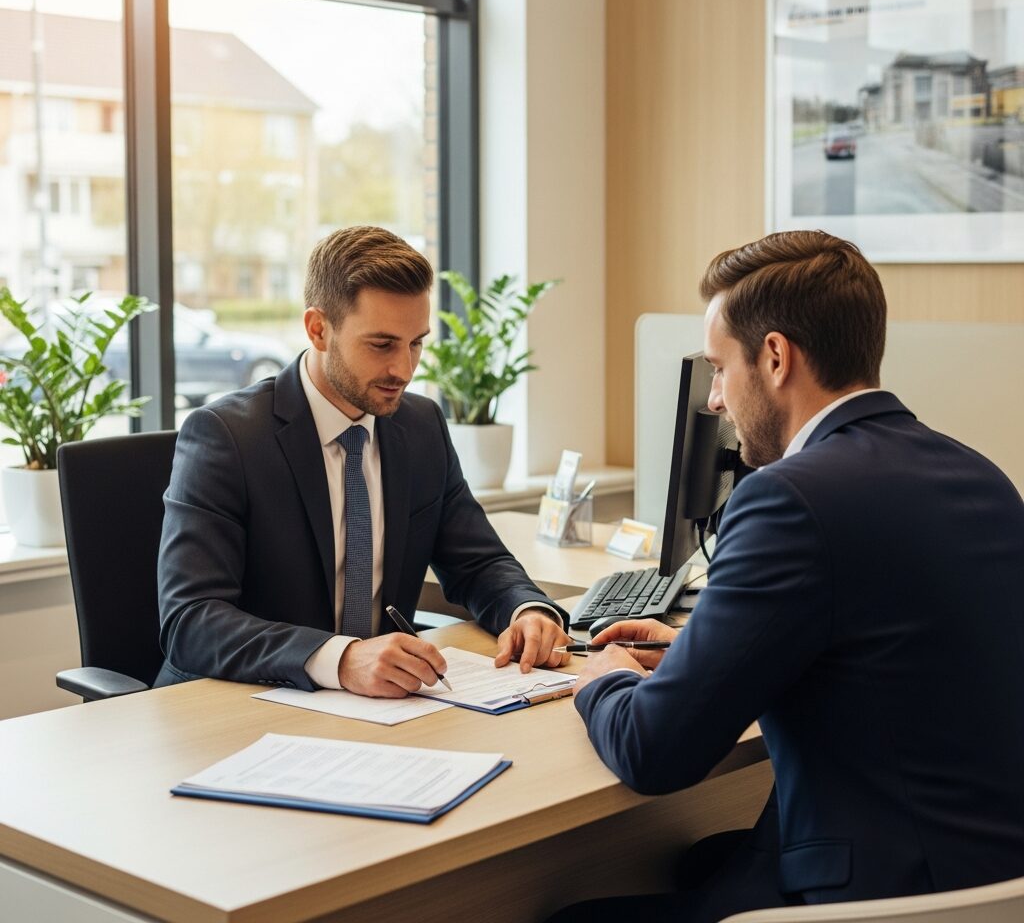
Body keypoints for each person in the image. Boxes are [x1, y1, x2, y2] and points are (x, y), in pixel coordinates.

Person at [555, 230, 1024, 922]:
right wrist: (697, 653)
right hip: (989, 879)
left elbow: (654, 754)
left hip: (885, 896)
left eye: (719, 368)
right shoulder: (979, 474)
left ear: (775, 356)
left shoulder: (789, 497)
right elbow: (878, 653)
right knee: (699, 860)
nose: (714, 399)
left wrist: (606, 679)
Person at [156, 225, 571, 696]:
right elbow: (191, 621)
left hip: (381, 709)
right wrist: (342, 657)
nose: (405, 369)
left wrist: (528, 611)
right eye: (382, 345)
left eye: (416, 342)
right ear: (318, 329)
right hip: (243, 703)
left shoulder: (421, 427)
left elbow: (478, 562)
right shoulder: (228, 436)